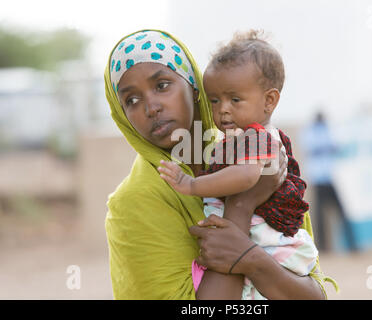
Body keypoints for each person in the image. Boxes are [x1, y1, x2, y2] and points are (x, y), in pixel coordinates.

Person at [104, 29, 338, 299]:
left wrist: (251, 259)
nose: (151, 107)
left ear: (194, 88)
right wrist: (241, 205)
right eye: (131, 100)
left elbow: (313, 292)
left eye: (162, 85)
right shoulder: (134, 203)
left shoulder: (256, 152)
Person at [158, 30, 319, 299]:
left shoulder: (257, 136)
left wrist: (191, 184)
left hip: (262, 237)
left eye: (234, 99)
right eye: (214, 100)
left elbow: (245, 176)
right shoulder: (239, 137)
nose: (223, 110)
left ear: (269, 100)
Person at [301, 111, 357, 252]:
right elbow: (312, 148)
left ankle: (353, 246)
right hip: (318, 179)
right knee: (319, 218)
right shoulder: (310, 131)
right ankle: (322, 248)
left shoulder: (327, 130)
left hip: (328, 177)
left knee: (342, 213)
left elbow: (336, 146)